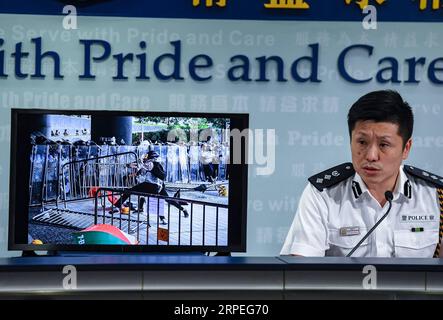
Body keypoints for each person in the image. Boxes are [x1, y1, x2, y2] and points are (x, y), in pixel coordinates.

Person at [281, 90, 443, 258]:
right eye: (362, 142)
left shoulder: (437, 196)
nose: (371, 156)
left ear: (406, 148)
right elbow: (301, 273)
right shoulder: (323, 195)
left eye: (384, 145)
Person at [110, 150, 188, 224]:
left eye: (147, 156)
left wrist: (130, 166)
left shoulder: (149, 163)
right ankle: (181, 210)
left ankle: (117, 207)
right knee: (167, 200)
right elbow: (142, 171)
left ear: (151, 157)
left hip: (150, 185)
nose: (145, 157)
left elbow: (140, 169)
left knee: (129, 191)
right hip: (159, 186)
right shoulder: (157, 164)